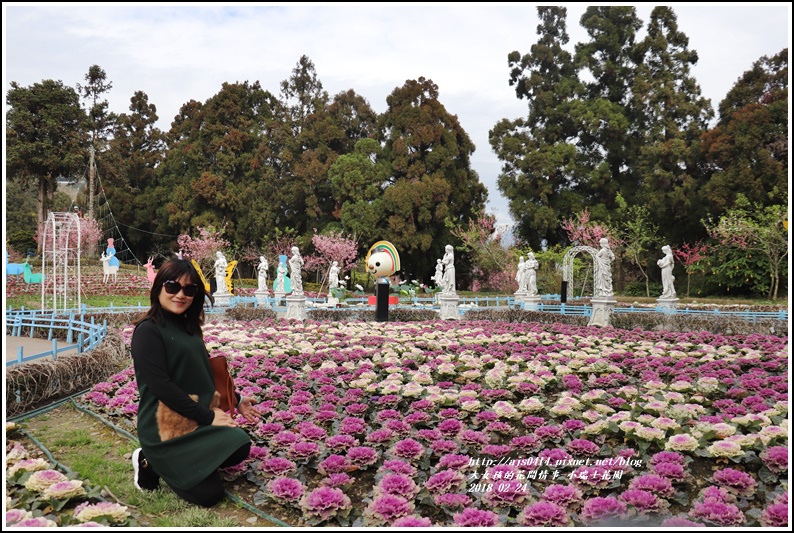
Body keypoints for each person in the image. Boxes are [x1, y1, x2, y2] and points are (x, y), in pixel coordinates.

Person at [130, 259, 259, 507]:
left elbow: (202, 374)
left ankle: (182, 463)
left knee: (240, 445)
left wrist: (237, 400)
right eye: (172, 287)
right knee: (209, 496)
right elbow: (161, 386)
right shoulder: (148, 331)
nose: (181, 295)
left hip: (194, 420)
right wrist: (208, 416)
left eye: (189, 290)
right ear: (158, 288)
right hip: (164, 427)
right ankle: (150, 461)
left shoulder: (189, 329)